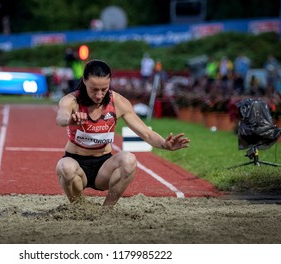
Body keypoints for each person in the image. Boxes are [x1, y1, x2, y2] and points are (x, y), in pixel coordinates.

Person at [55, 59, 190, 207]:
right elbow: (61, 117)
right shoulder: (71, 100)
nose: (99, 95)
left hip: (103, 167)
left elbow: (146, 133)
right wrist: (70, 119)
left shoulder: (118, 102)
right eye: (94, 89)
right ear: (84, 81)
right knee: (64, 167)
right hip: (76, 162)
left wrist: (164, 144)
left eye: (104, 89)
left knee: (129, 159)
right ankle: (79, 208)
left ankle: (107, 210)